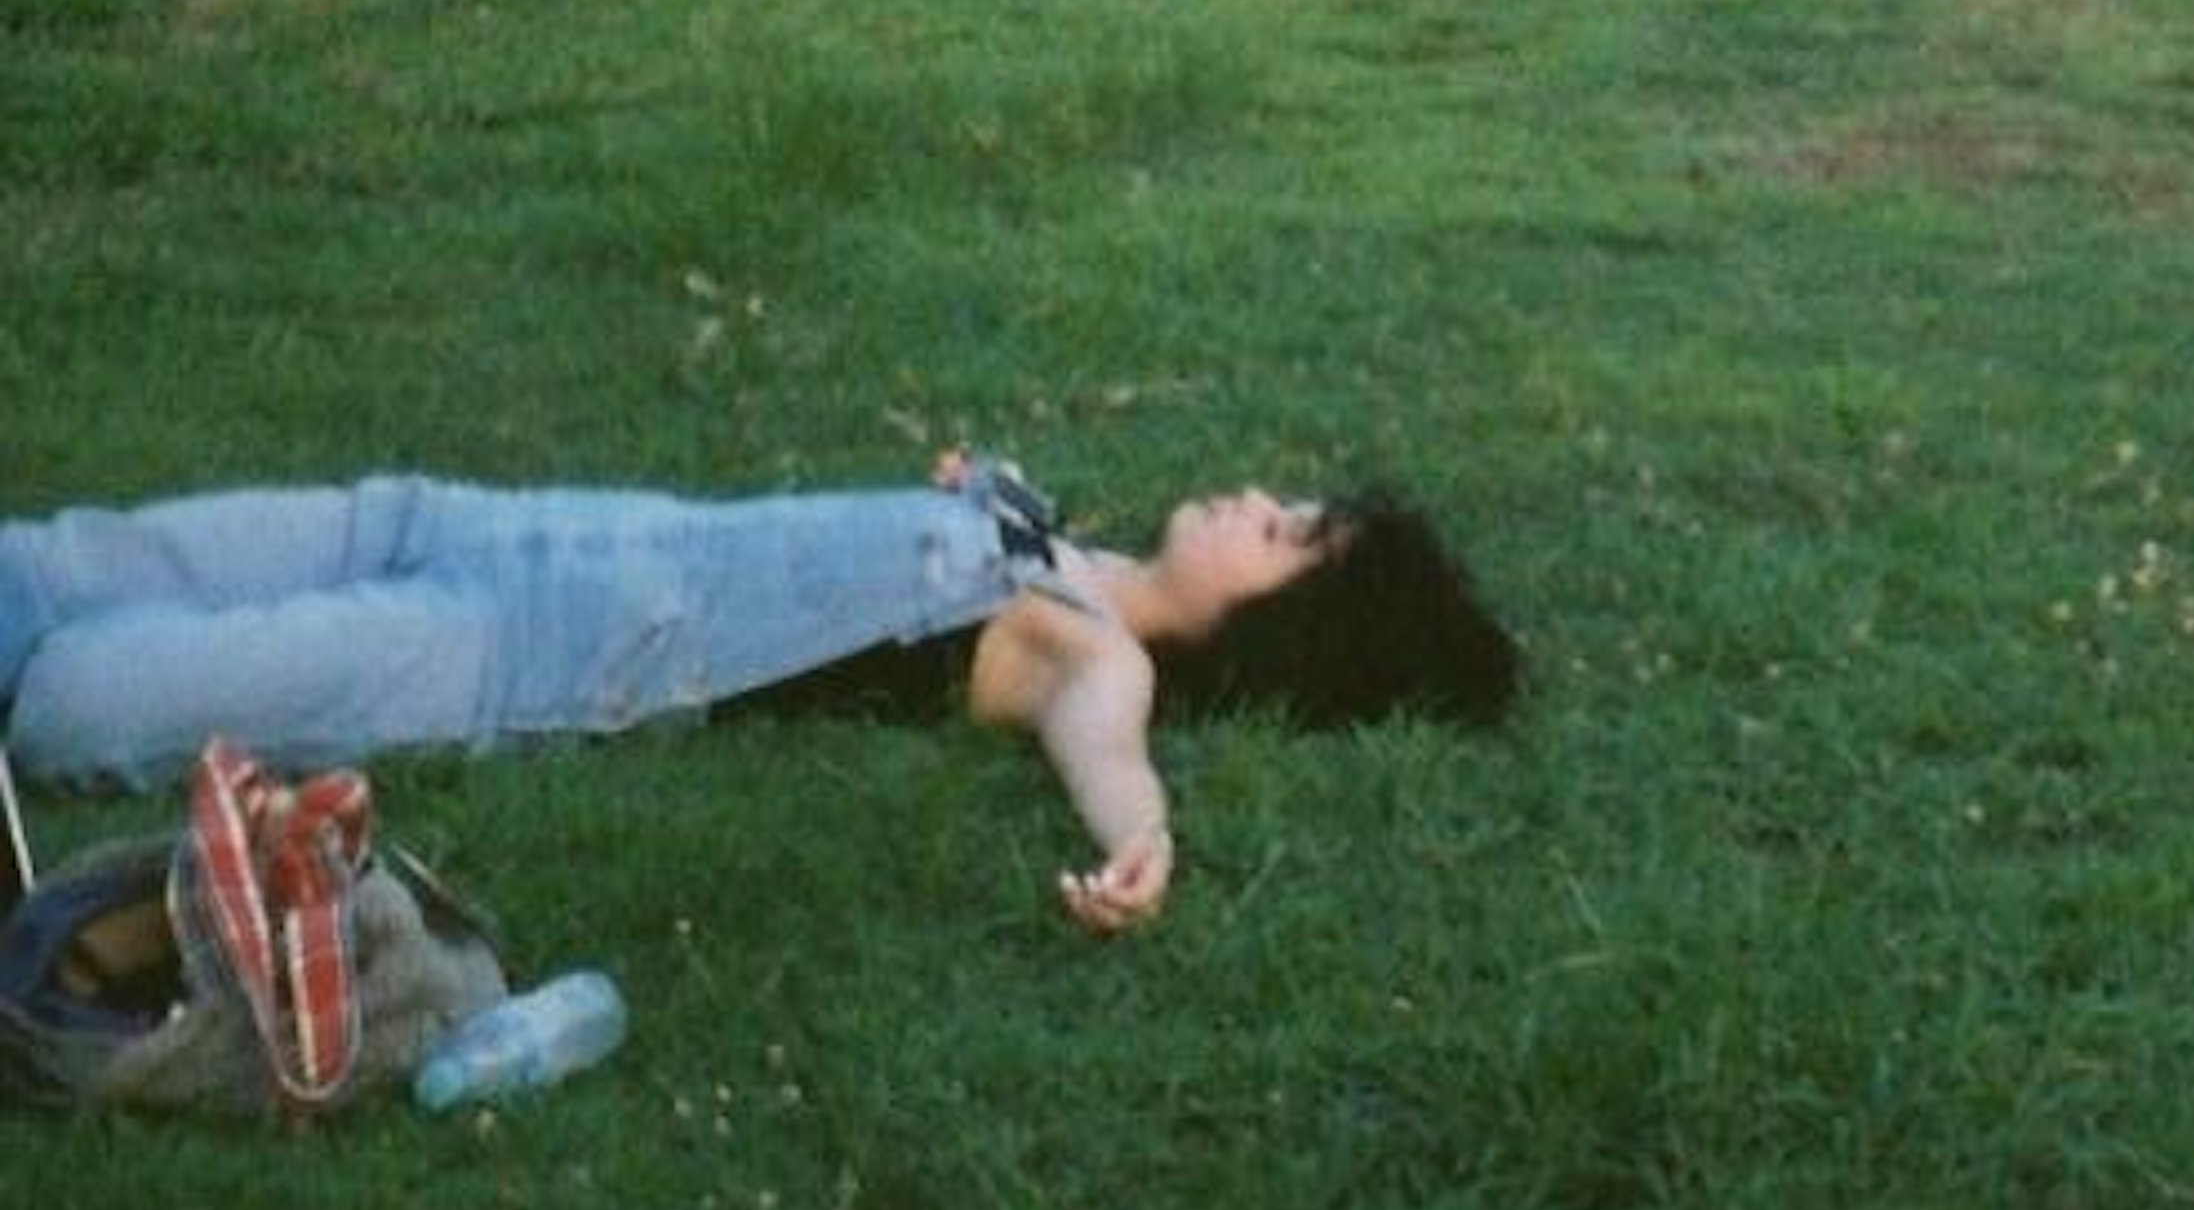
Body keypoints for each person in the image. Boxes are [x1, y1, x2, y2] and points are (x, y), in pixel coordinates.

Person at [0, 452, 1518, 936]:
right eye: (1293, 503)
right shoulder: (1077, 549)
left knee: (79, 698)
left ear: (1281, 638)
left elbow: (1105, 750)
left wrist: (1143, 841)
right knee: (110, 560)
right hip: (513, 523)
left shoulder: (1093, 652)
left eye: (1290, 538)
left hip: (525, 658)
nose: (1261, 502)